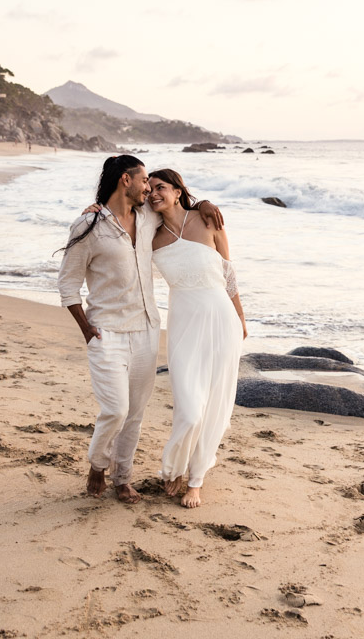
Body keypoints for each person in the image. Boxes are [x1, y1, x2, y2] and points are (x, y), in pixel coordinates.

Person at [56, 155, 223, 505]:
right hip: (107, 332)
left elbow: (179, 206)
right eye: (144, 180)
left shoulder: (147, 218)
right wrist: (88, 330)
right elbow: (68, 286)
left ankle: (123, 479)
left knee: (134, 413)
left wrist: (204, 203)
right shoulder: (88, 227)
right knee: (115, 409)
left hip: (147, 329)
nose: (149, 187)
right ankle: (97, 465)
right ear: (124, 180)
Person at [149, 169, 246, 508]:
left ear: (178, 191)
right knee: (189, 408)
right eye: (150, 189)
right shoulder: (150, 234)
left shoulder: (208, 221)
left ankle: (196, 480)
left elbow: (228, 273)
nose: (153, 194)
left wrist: (241, 318)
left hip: (221, 318)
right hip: (183, 323)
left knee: (216, 403)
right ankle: (175, 467)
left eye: (161, 187)